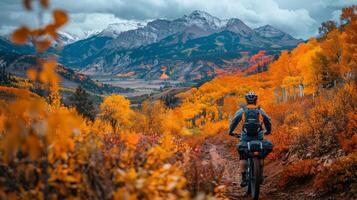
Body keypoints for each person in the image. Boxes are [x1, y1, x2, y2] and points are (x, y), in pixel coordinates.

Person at [228, 92, 272, 187]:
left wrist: (230, 132)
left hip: (245, 137)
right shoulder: (260, 111)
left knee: (243, 155)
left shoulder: (242, 111)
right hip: (258, 137)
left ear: (246, 101)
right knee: (260, 154)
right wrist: (268, 131)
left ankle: (244, 178)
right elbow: (268, 120)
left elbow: (234, 122)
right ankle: (259, 174)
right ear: (256, 100)